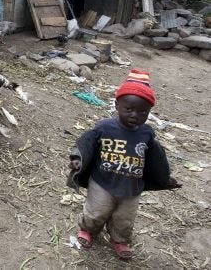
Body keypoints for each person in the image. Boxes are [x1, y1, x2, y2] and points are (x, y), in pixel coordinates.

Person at [66, 69, 181, 260]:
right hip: (102, 182)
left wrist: (163, 177)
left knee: (124, 218)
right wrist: (78, 159)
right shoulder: (105, 127)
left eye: (142, 111)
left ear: (149, 111)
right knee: (96, 210)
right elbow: (86, 142)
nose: (135, 115)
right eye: (129, 109)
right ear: (117, 105)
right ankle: (88, 230)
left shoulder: (147, 134)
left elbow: (156, 158)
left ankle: (120, 240)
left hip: (131, 186)